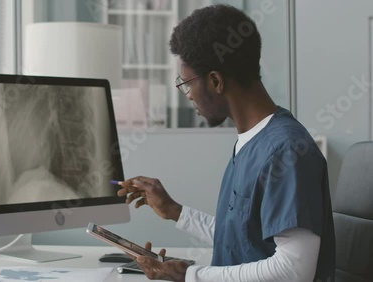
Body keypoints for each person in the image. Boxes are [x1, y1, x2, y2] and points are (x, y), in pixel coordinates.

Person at [117, 4, 335, 282]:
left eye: (186, 83)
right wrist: (174, 211)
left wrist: (191, 275)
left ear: (216, 81)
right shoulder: (250, 141)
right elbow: (242, 237)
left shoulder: (285, 150)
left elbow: (294, 270)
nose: (188, 94)